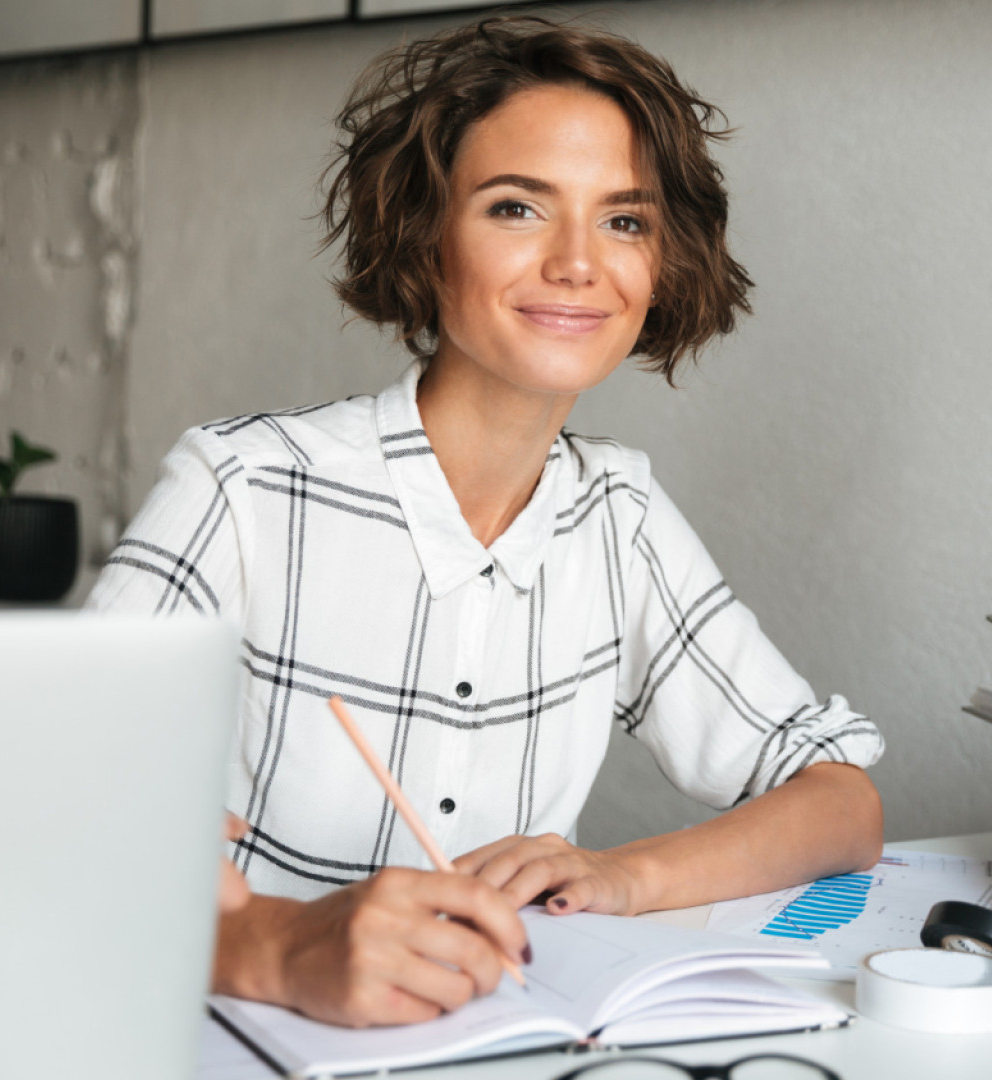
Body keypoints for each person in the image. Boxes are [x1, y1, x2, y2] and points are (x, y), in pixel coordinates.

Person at [91, 15, 885, 1029]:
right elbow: (39, 814)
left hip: (495, 1044)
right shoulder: (243, 487)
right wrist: (273, 948)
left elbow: (841, 804)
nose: (577, 263)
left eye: (625, 221)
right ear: (426, 233)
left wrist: (617, 875)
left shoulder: (620, 519)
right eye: (518, 208)